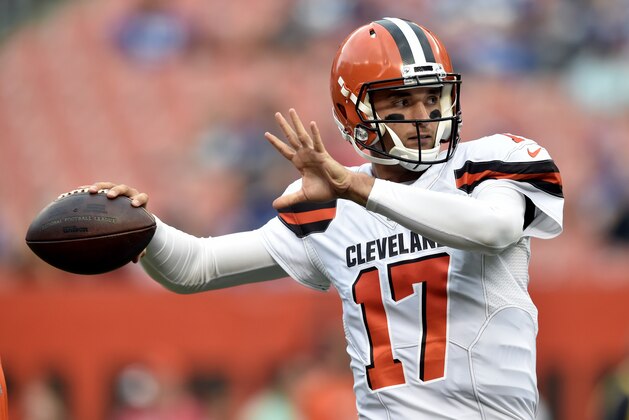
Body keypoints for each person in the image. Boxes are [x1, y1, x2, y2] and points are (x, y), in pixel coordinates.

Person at [87, 17, 564, 419]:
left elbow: (493, 230)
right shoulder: (330, 204)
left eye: (431, 96)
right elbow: (196, 267)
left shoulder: (491, 162)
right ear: (352, 113)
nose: (423, 114)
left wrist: (359, 188)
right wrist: (142, 229)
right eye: (399, 101)